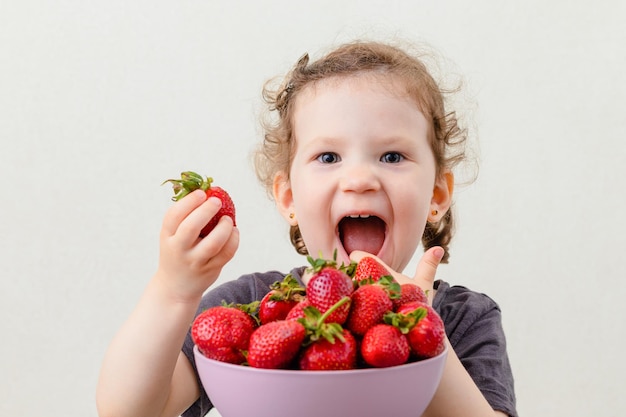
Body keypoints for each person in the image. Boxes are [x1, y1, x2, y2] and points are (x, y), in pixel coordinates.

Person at [97, 39, 517, 417]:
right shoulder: (251, 309)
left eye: (391, 156)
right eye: (329, 157)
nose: (359, 179)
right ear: (289, 199)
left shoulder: (463, 319)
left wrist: (421, 329)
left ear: (437, 197)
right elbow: (130, 412)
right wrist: (173, 290)